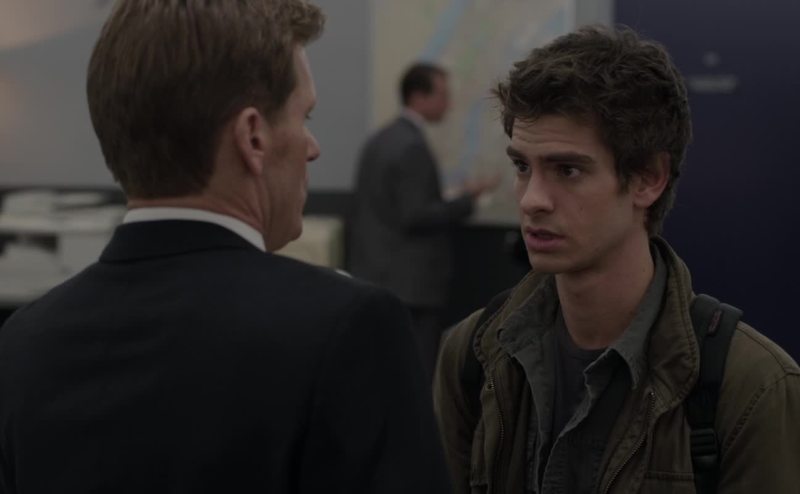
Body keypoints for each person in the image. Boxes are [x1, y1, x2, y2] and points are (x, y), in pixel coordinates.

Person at [0, 1, 451, 493]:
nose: (312, 146)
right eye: (305, 116)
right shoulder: (348, 330)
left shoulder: (22, 345)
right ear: (252, 137)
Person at [434, 25, 800, 493]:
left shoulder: (751, 386)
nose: (531, 200)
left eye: (568, 170)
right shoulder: (472, 355)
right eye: (523, 166)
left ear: (648, 178)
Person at [350, 62, 496, 380]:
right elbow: (416, 215)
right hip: (412, 285)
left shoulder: (380, 140)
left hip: (378, 275)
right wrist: (467, 202)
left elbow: (391, 206)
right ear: (418, 96)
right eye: (442, 94)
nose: (449, 104)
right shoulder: (412, 145)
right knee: (417, 374)